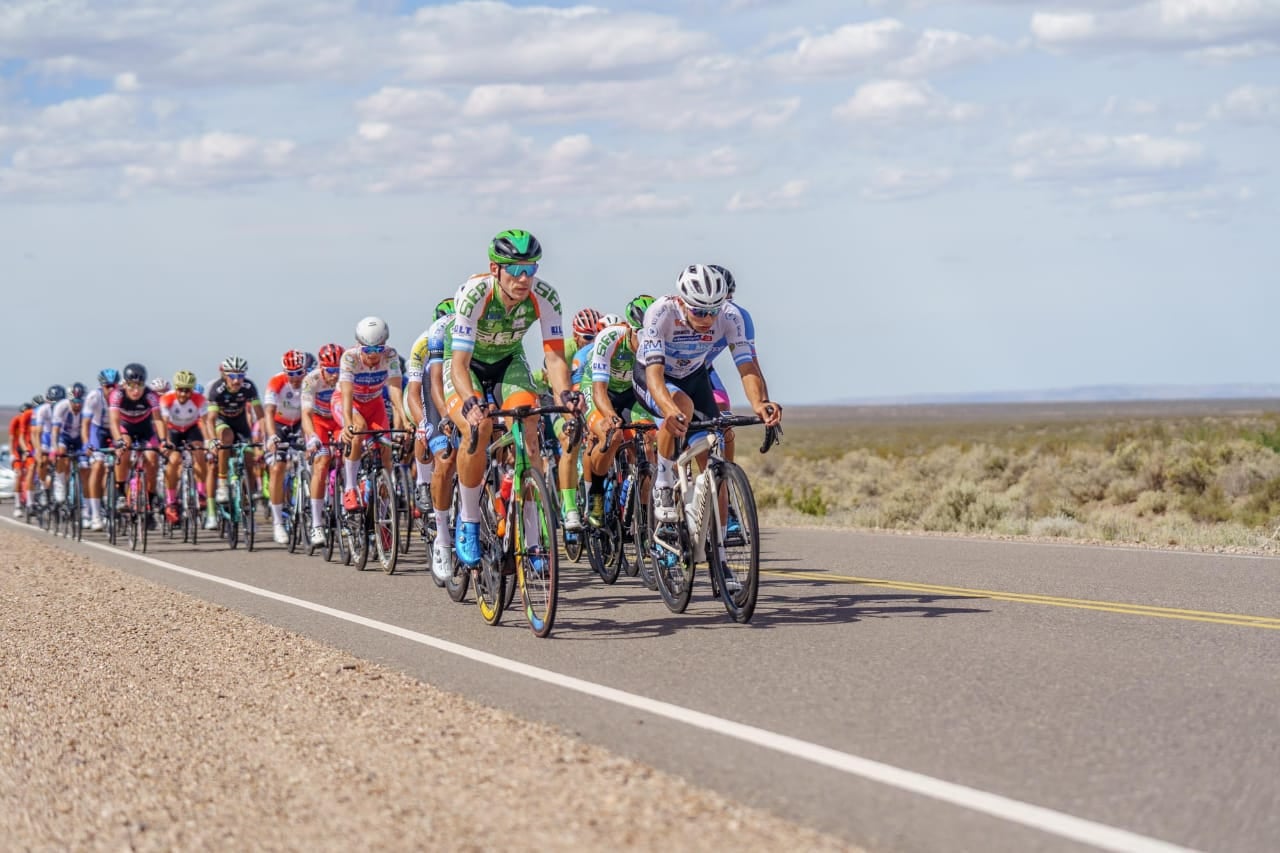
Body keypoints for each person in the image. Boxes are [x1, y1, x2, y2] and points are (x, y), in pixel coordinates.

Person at [445, 229, 581, 569]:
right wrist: (471, 403)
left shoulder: (545, 297)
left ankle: (533, 540)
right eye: (515, 269)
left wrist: (565, 393)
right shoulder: (475, 294)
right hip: (468, 364)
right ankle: (469, 520)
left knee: (529, 425)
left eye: (530, 269)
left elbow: (554, 357)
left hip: (508, 361)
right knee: (477, 428)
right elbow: (459, 364)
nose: (524, 278)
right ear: (495, 269)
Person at [633, 264, 781, 527]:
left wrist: (760, 403)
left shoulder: (731, 316)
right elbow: (654, 375)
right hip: (653, 375)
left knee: (713, 457)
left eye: (713, 311)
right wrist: (669, 409)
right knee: (681, 406)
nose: (707, 319)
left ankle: (720, 547)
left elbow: (747, 366)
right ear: (681, 301)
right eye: (699, 311)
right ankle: (664, 483)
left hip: (694, 375)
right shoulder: (661, 313)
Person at [582, 297, 656, 527]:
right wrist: (612, 418)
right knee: (611, 435)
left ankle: (643, 517)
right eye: (642, 337)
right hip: (600, 392)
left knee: (647, 440)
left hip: (631, 394)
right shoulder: (611, 339)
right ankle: (595, 493)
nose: (646, 343)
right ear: (631, 330)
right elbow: (599, 391)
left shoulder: (657, 342)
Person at [404, 297, 460, 581]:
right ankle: (423, 483)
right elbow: (414, 394)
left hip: (457, 391)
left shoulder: (471, 334)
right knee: (443, 457)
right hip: (427, 392)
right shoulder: (423, 343)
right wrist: (424, 423)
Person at [338, 317, 406, 511]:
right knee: (357, 430)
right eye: (368, 350)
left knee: (385, 452)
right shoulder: (350, 357)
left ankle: (385, 514)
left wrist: (405, 418)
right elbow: (346, 394)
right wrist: (347, 424)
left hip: (374, 402)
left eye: (378, 349)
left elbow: (395, 391)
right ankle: (350, 488)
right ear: (359, 345)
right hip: (352, 402)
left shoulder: (391, 355)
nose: (373, 355)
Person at [204, 355, 265, 530]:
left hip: (241, 425)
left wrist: (262, 437)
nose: (237, 380)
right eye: (232, 376)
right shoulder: (217, 389)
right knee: (226, 437)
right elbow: (210, 420)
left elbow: (260, 415)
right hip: (221, 422)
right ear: (225, 376)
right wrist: (212, 441)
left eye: (240, 375)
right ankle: (222, 484)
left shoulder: (249, 387)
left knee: (249, 458)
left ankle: (248, 507)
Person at [108, 363, 169, 529]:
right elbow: (113, 421)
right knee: (124, 448)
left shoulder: (150, 396)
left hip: (145, 428)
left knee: (152, 457)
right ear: (125, 383)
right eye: (131, 385)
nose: (136, 390)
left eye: (140, 386)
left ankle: (149, 500)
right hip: (125, 426)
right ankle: (121, 492)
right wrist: (118, 440)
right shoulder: (117, 394)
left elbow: (158, 419)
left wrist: (163, 441)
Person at [300, 343, 344, 546]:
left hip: (337, 419)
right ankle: (317, 524)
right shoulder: (311, 380)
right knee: (322, 460)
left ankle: (346, 506)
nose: (334, 375)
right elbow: (306, 414)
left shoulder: (345, 377)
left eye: (338, 370)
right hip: (318, 421)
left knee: (348, 455)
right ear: (321, 367)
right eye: (330, 371)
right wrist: (312, 437)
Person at [263, 350, 308, 544]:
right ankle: (278, 522)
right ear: (284, 372)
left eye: (299, 372)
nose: (296, 378)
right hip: (279, 424)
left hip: (300, 422)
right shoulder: (276, 382)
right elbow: (269, 411)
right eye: (291, 373)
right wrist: (272, 436)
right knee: (278, 466)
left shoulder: (310, 381)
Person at [159, 370, 211, 525]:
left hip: (191, 429)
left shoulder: (199, 399)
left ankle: (201, 494)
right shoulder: (166, 399)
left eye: (187, 390)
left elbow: (206, 422)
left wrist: (210, 441)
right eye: (180, 389)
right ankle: (171, 501)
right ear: (175, 388)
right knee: (174, 461)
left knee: (199, 453)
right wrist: (165, 441)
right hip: (173, 430)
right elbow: (163, 422)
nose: (183, 394)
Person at [81, 369, 119, 530]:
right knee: (97, 466)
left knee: (121, 464)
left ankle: (112, 502)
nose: (111, 390)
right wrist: (86, 444)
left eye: (114, 386)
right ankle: (95, 514)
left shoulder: (121, 396)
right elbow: (85, 424)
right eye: (107, 386)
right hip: (98, 431)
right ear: (101, 386)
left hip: (115, 429)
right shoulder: (93, 397)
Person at [48, 383, 87, 505]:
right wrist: (54, 449)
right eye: (74, 401)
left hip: (79, 437)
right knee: (62, 455)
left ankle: (81, 492)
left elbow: (90, 428)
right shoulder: (61, 407)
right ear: (69, 400)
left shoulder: (86, 407)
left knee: (85, 466)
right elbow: (55, 431)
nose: (77, 404)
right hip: (64, 437)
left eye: (80, 401)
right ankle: (60, 482)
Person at [9, 402, 33, 518]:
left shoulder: (32, 420)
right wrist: (11, 454)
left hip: (28, 448)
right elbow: (12, 438)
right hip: (17, 450)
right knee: (18, 475)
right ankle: (17, 505)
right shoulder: (16, 421)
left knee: (31, 473)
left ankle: (31, 501)